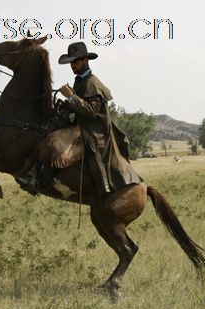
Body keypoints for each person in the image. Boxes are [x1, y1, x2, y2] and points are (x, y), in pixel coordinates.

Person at [55, 42, 143, 195]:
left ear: (85, 61)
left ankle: (104, 191)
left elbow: (91, 111)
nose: (73, 66)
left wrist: (71, 97)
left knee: (92, 157)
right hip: (82, 128)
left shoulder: (93, 83)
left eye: (76, 62)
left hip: (95, 133)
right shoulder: (80, 81)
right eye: (71, 63)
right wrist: (64, 104)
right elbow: (78, 107)